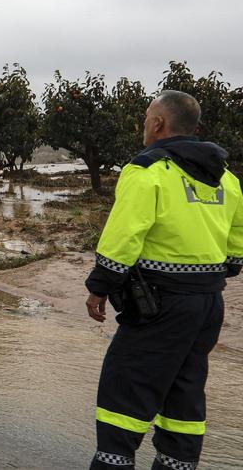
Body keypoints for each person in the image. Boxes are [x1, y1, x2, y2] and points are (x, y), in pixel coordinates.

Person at [85, 90, 243, 470]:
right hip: (208, 304)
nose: (143, 127)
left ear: (158, 124)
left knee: (124, 390)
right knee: (185, 392)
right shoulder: (227, 179)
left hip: (158, 303)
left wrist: (99, 287)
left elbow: (123, 236)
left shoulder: (147, 170)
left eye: (145, 120)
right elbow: (236, 250)